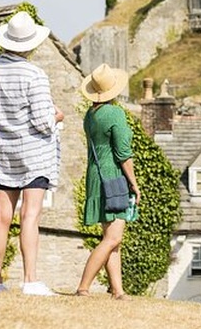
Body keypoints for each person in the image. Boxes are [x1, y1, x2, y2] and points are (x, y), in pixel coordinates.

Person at [0, 11, 64, 296]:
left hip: (4, 150)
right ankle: (30, 279)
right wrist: (57, 116)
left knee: (1, 216)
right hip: (33, 153)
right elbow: (43, 121)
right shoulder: (35, 74)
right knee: (30, 215)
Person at [76, 63, 140, 299]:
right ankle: (83, 287)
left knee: (112, 239)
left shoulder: (89, 115)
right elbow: (123, 154)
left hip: (95, 176)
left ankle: (118, 291)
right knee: (113, 238)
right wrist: (134, 183)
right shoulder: (115, 114)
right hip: (112, 176)